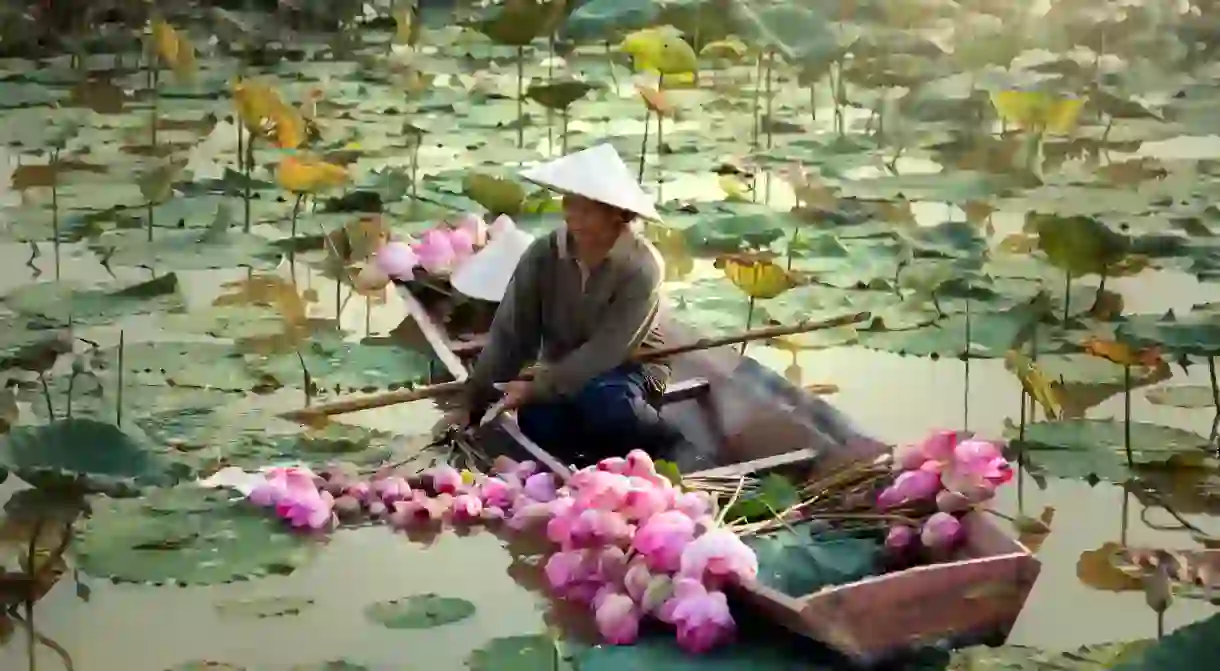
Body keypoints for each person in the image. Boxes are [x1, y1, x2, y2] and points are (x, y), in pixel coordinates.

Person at [437, 143, 691, 464]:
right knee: (539, 420)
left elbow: (606, 351)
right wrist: (472, 403)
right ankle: (592, 464)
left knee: (606, 401)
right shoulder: (543, 254)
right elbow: (512, 334)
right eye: (569, 204)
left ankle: (672, 447)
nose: (573, 217)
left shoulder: (642, 266)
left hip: (634, 366)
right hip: (562, 365)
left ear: (617, 214)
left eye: (587, 209)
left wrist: (537, 387)